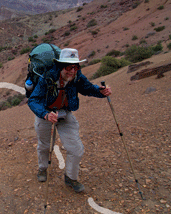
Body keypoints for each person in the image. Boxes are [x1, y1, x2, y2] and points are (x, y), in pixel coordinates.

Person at [27, 48, 112, 193]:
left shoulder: (77, 76)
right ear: (61, 65)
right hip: (46, 114)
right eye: (68, 67)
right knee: (45, 146)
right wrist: (45, 114)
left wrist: (100, 91)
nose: (72, 71)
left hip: (65, 113)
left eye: (76, 66)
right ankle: (43, 169)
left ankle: (71, 178)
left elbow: (87, 88)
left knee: (76, 149)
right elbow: (33, 100)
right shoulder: (47, 77)